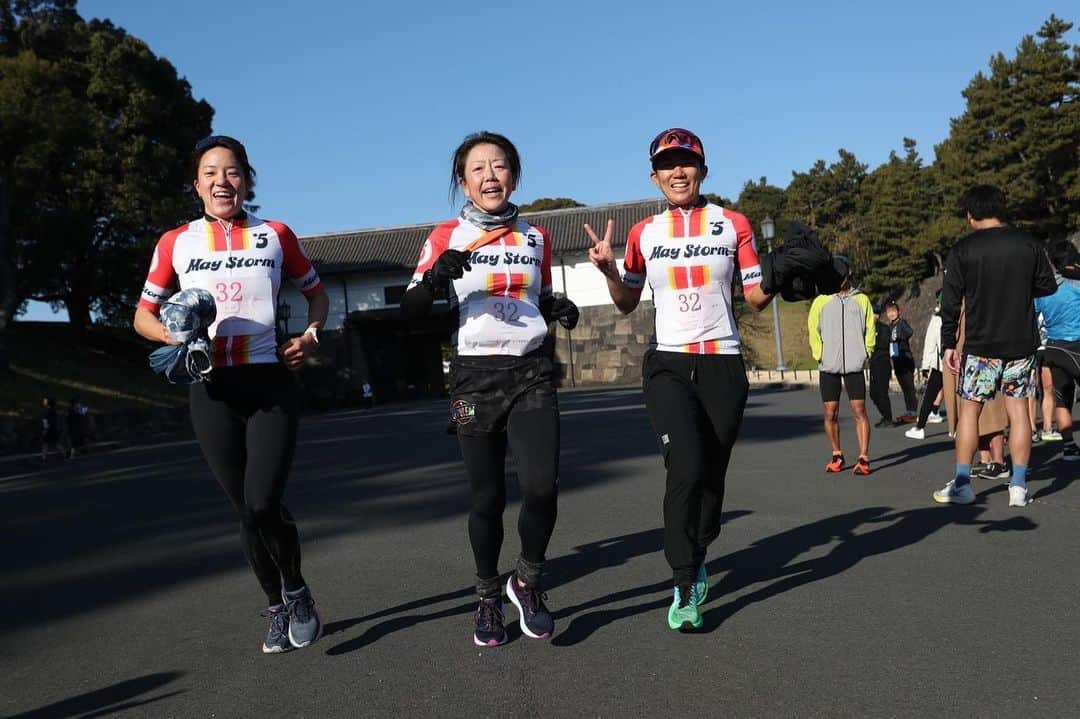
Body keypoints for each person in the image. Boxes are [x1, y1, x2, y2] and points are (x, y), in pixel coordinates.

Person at [587, 127, 837, 630]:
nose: (678, 171)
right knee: (685, 464)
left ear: (702, 170)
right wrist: (610, 270)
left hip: (723, 361)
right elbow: (626, 301)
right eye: (667, 164)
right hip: (668, 364)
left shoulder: (733, 224)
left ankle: (699, 548)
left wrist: (784, 268)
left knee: (713, 472)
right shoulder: (644, 234)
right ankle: (683, 579)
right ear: (654, 177)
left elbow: (755, 296)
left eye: (687, 162)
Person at [134, 135, 329, 653]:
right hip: (210, 387)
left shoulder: (275, 234)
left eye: (234, 171)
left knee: (264, 501)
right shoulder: (176, 242)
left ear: (247, 180)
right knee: (244, 510)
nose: (223, 181)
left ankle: (297, 589)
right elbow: (142, 316)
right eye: (211, 173)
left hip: (269, 380)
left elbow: (317, 294)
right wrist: (174, 335)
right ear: (197, 184)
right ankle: (274, 607)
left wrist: (309, 337)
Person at [401, 131, 579, 647]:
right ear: (463, 183)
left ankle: (527, 580)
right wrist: (436, 278)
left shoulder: (534, 237)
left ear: (514, 176)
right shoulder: (445, 236)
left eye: (500, 166)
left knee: (543, 486)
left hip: (532, 372)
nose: (490, 176)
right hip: (472, 377)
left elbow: (539, 297)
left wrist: (556, 308)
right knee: (487, 497)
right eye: (478, 169)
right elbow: (411, 311)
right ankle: (485, 596)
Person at [933, 185, 1056, 507]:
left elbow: (950, 300)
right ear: (1002, 209)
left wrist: (948, 342)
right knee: (1018, 412)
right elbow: (1047, 285)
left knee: (970, 411)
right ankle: (1018, 485)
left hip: (980, 345)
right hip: (1021, 343)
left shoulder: (963, 250)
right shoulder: (1028, 244)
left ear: (970, 214)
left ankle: (963, 483)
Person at [807, 257, 875, 474]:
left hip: (855, 364)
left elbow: (870, 327)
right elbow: (813, 330)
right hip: (829, 365)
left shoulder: (862, 300)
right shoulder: (821, 301)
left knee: (859, 410)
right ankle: (837, 454)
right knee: (830, 413)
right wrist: (820, 354)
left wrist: (867, 351)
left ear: (849, 274)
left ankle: (863, 457)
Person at [1035, 239, 1080, 461]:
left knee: (1061, 398)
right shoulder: (1077, 284)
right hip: (1076, 344)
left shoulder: (1044, 288)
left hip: (1053, 347)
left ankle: (1069, 446)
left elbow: (1033, 316)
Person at [906, 291, 946, 439]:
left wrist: (925, 367)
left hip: (940, 364)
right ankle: (956, 429)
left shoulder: (937, 320)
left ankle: (919, 427)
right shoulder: (961, 317)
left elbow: (930, 345)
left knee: (929, 396)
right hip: (959, 363)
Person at [885, 300, 918, 421]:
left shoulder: (902, 323)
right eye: (889, 312)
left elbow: (910, 332)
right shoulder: (889, 327)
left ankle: (913, 411)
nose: (891, 314)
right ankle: (909, 411)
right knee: (904, 386)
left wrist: (900, 338)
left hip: (906, 358)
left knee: (909, 386)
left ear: (898, 312)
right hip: (896, 360)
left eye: (894, 311)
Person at [868, 305, 896, 427]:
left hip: (882, 363)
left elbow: (884, 344)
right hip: (873, 364)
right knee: (873, 394)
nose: (874, 316)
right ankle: (885, 415)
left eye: (876, 313)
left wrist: (872, 345)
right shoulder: (867, 328)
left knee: (882, 392)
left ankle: (888, 418)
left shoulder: (884, 328)